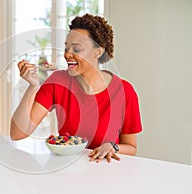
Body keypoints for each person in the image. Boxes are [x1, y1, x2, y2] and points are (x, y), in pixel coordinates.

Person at [10, 14, 142, 163]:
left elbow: (131, 147)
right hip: (66, 170)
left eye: (76, 49)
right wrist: (32, 86)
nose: (67, 54)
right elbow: (17, 133)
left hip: (106, 173)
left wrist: (112, 147)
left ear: (98, 51)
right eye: (66, 48)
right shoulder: (57, 82)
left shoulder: (124, 91)